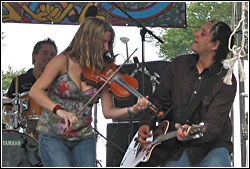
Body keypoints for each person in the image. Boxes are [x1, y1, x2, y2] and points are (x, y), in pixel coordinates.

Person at [29, 17, 149, 167]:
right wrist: (60, 111)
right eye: (103, 42)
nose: (106, 48)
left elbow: (108, 111)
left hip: (84, 137)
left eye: (108, 43)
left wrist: (132, 109)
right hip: (53, 136)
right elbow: (35, 91)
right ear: (89, 40)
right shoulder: (61, 61)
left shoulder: (102, 69)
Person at [137, 20, 237, 167]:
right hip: (176, 147)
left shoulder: (226, 80)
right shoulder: (179, 65)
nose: (195, 34)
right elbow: (159, 100)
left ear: (215, 45)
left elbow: (213, 124)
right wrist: (146, 123)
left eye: (203, 33)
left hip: (211, 148)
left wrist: (193, 132)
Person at [3, 38, 58, 136]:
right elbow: (7, 110)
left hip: (53, 132)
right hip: (25, 132)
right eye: (45, 53)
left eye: (52, 55)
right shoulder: (19, 81)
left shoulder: (59, 82)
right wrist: (12, 118)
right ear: (35, 55)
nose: (49, 57)